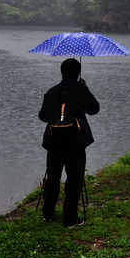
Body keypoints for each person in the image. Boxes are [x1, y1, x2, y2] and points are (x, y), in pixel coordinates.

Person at [38, 58, 100, 228]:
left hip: (54, 141)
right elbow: (95, 109)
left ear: (61, 71)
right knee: (74, 178)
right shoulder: (81, 90)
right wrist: (84, 87)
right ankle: (69, 219)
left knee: (53, 177)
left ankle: (48, 213)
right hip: (76, 142)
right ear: (78, 73)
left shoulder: (52, 92)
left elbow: (43, 116)